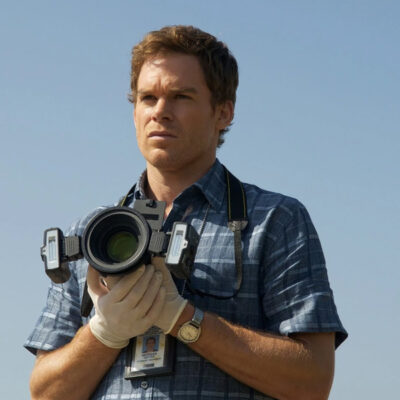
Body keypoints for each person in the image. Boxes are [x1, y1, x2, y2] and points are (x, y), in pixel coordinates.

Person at [25, 25, 347, 400]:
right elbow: (44, 393)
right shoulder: (91, 233)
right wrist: (103, 333)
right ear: (134, 112)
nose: (160, 112)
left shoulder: (274, 220)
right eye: (148, 98)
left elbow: (312, 381)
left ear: (223, 112)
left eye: (181, 96)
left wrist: (183, 318)